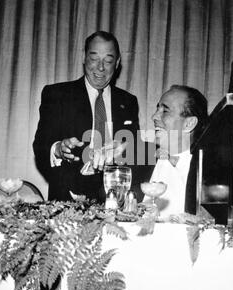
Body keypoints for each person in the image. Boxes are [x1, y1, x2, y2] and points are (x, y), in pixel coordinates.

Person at [33, 31, 140, 201]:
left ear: (117, 63)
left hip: (115, 201)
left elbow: (135, 149)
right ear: (84, 57)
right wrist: (59, 148)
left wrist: (126, 148)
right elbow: (41, 146)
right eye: (94, 58)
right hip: (67, 201)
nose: (100, 67)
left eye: (108, 60)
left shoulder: (128, 101)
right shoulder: (57, 94)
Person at [131, 85, 208, 217]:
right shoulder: (141, 157)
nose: (154, 117)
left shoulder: (206, 172)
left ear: (189, 124)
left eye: (165, 111)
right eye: (157, 109)